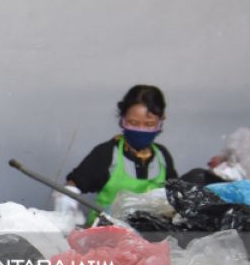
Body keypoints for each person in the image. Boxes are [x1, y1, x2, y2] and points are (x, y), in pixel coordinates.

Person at [58, 84, 178, 221]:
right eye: (133, 123)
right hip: (105, 232)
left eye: (149, 124)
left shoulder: (162, 157)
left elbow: (174, 195)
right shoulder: (107, 154)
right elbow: (74, 184)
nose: (140, 129)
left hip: (151, 235)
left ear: (161, 120)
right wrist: (66, 205)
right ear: (122, 119)